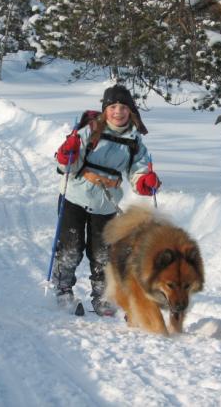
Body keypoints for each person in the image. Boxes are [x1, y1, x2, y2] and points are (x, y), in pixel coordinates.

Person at [52, 84, 160, 316]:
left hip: (106, 203)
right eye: (113, 106)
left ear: (130, 111)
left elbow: (138, 169)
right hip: (74, 196)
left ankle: (102, 296)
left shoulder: (134, 141)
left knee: (103, 252)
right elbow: (65, 166)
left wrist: (144, 181)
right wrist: (67, 154)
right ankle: (63, 289)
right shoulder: (90, 131)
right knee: (71, 246)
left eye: (123, 107)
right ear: (105, 109)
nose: (118, 111)